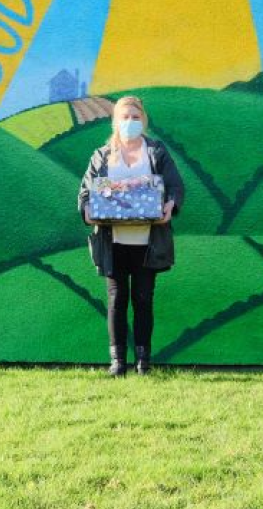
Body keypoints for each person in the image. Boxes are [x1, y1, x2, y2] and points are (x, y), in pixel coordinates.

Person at [78, 96, 184, 377]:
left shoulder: (156, 151)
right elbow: (85, 191)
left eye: (135, 117)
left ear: (144, 120)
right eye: (124, 117)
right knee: (116, 298)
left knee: (143, 298)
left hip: (148, 241)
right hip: (112, 242)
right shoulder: (102, 155)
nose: (130, 122)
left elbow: (175, 186)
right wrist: (87, 208)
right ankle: (117, 362)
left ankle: (143, 361)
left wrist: (170, 205)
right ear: (115, 121)